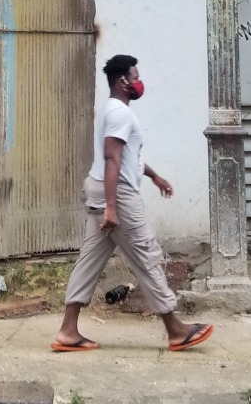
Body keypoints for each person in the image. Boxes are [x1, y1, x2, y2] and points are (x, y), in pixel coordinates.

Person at [50, 54, 214, 352]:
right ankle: (176, 330)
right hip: (117, 194)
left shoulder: (112, 111)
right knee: (146, 255)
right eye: (135, 77)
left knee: (89, 260)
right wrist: (112, 207)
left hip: (101, 188)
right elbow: (113, 159)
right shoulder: (120, 114)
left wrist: (154, 176)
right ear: (122, 81)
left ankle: (67, 331)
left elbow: (126, 156)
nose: (139, 82)